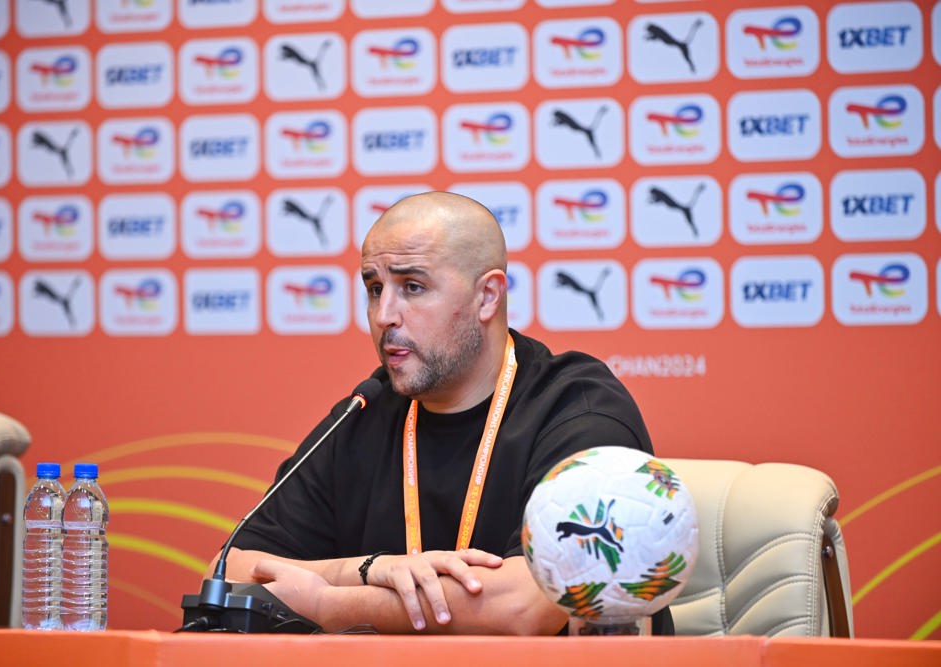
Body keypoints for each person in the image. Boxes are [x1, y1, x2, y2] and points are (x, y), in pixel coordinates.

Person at [213, 191, 672, 635]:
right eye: (374, 288)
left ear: (487, 297)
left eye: (413, 287)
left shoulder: (578, 409)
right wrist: (371, 569)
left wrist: (327, 604)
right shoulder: (362, 413)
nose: (384, 315)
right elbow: (228, 571)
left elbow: (533, 602)